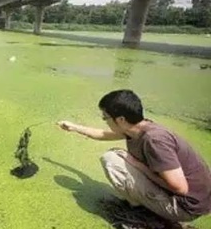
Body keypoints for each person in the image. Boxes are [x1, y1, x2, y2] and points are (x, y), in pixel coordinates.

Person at [57, 89, 211, 222]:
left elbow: (180, 188)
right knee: (118, 156)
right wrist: (73, 127)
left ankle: (139, 208)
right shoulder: (137, 129)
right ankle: (145, 202)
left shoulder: (154, 140)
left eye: (105, 118)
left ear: (121, 119)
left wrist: (137, 165)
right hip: (190, 201)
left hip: (184, 207)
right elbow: (103, 134)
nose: (105, 122)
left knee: (111, 160)